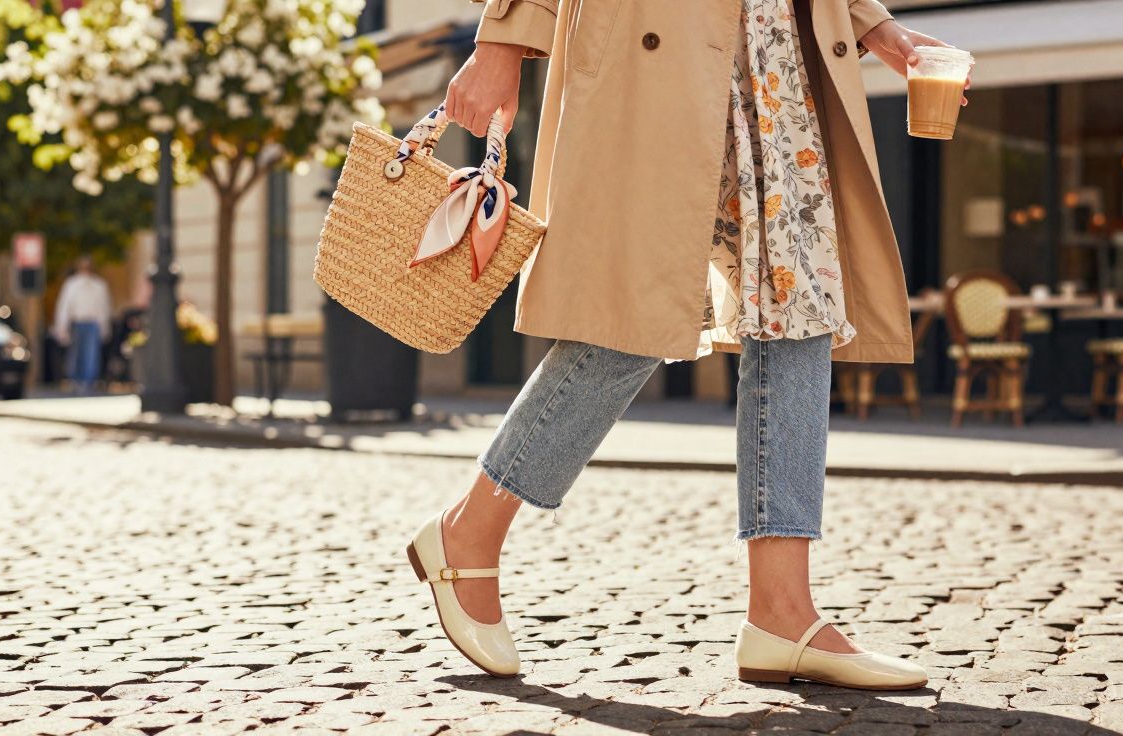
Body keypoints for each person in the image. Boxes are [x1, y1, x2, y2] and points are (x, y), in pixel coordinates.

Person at [407, 0, 968, 688]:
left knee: (800, 305)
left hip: (776, 55)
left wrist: (883, 30)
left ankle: (782, 612)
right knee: (633, 316)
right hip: (654, 45)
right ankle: (470, 529)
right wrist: (499, 40)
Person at [53, 255, 112, 395]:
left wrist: (104, 327)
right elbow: (64, 307)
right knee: (76, 353)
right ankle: (76, 380)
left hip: (93, 323)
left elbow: (104, 307)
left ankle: (88, 381)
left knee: (91, 354)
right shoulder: (71, 284)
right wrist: (62, 326)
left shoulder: (99, 285)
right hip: (77, 323)